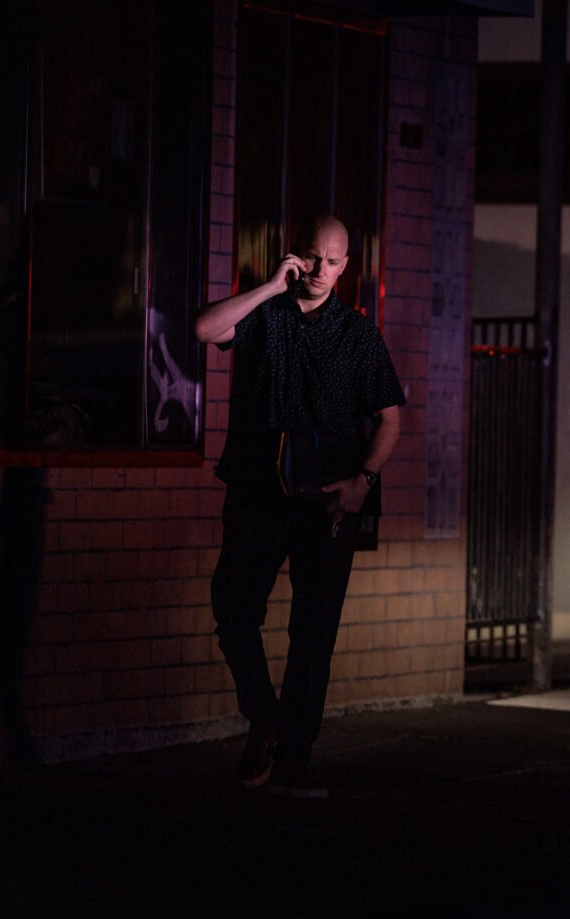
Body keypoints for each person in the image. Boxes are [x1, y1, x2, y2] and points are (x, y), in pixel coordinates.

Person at [194, 214, 404, 799]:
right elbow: (206, 329)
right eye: (312, 257)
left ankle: (294, 761)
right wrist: (267, 286)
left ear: (345, 266)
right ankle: (264, 720)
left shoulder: (359, 335)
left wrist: (364, 480)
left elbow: (390, 417)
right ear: (295, 255)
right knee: (234, 610)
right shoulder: (266, 315)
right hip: (258, 493)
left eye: (332, 261)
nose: (320, 271)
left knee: (314, 635)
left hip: (328, 500)